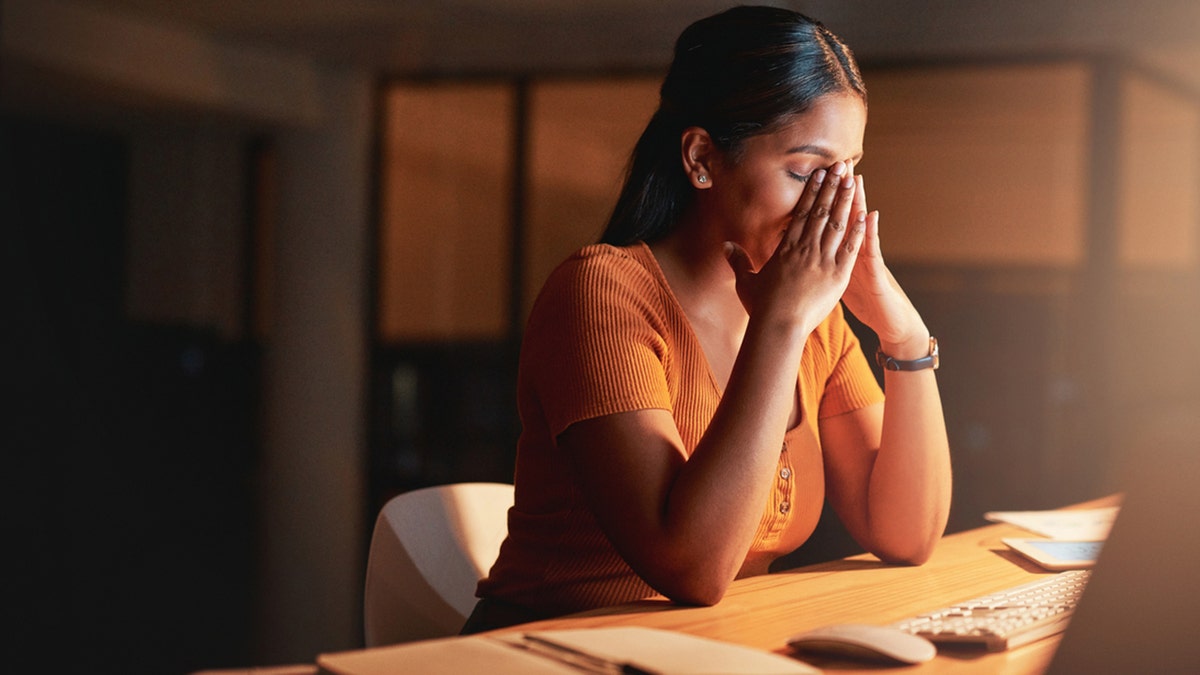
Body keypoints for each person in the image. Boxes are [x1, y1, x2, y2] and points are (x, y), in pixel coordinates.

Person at [464, 5, 952, 633]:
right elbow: (691, 568)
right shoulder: (602, 293)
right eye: (805, 171)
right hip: (547, 652)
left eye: (847, 172)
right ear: (701, 157)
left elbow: (906, 535)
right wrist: (780, 324)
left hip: (705, 650)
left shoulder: (816, 321)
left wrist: (904, 335)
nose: (833, 203)